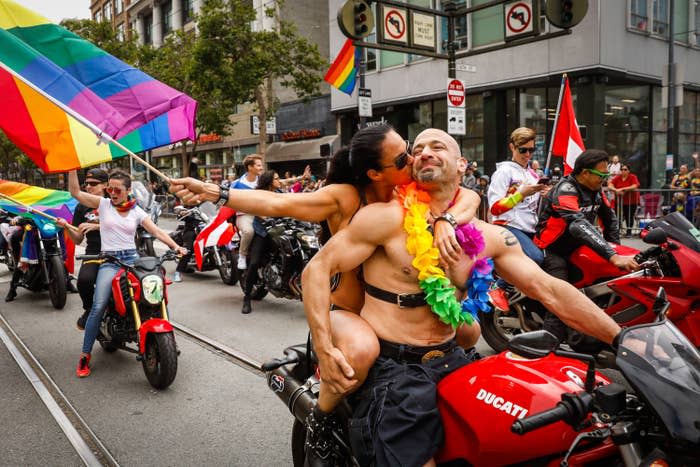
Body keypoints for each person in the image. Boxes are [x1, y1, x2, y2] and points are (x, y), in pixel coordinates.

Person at [301, 128, 624, 466]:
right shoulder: (385, 219)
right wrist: (324, 348)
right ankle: (320, 424)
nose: (425, 151)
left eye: (438, 146)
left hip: (453, 358)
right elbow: (316, 271)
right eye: (419, 148)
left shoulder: (488, 236)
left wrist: (620, 338)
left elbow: (551, 290)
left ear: (461, 164)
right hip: (396, 368)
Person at [168, 124, 483, 464]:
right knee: (362, 350)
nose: (414, 159)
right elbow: (277, 203)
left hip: (395, 318)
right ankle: (321, 416)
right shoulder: (347, 197)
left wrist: (448, 219)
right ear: (376, 172)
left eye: (408, 150)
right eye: (403, 157)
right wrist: (215, 192)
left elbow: (468, 195)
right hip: (349, 312)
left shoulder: (405, 190)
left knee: (469, 331)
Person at [67, 169, 186, 378]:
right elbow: (76, 192)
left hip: (133, 259)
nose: (113, 192)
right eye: (110, 188)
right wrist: (71, 168)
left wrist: (177, 247)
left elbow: (157, 232)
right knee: (98, 305)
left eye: (117, 189)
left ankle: (168, 341)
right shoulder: (103, 205)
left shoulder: (136, 211)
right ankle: (85, 355)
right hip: (110, 262)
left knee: (156, 294)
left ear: (128, 190)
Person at [534, 149, 639, 343]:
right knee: (561, 297)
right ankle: (549, 349)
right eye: (601, 175)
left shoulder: (596, 190)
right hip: (553, 249)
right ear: (585, 173)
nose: (605, 178)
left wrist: (615, 250)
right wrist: (612, 256)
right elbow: (578, 224)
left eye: (607, 174)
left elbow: (610, 220)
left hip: (578, 247)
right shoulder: (566, 189)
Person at [487, 127, 546, 309]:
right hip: (507, 226)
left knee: (550, 259)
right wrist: (520, 194)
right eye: (523, 150)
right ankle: (498, 287)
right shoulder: (504, 172)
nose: (528, 154)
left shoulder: (533, 174)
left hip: (529, 228)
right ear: (512, 147)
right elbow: (495, 208)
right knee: (536, 258)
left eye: (531, 150)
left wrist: (546, 193)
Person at [56, 168, 109, 329]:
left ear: (106, 185)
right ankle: (89, 310)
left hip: (118, 251)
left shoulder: (114, 200)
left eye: (93, 184)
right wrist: (67, 227)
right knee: (84, 281)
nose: (88, 187)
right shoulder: (81, 207)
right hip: (93, 252)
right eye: (86, 184)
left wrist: (97, 227)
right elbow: (78, 239)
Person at [241, 170, 283, 314]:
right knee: (254, 263)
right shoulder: (258, 193)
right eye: (277, 178)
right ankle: (246, 298)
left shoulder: (280, 192)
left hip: (278, 230)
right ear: (269, 181)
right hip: (263, 231)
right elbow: (254, 209)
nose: (279, 181)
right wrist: (266, 218)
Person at [230, 155, 264, 270]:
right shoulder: (236, 184)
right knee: (249, 232)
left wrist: (300, 178)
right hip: (244, 215)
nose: (261, 168)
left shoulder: (262, 181)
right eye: (258, 165)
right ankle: (242, 256)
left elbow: (279, 182)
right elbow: (225, 200)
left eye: (261, 165)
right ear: (250, 167)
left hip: (263, 214)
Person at [608, 164, 640, 237]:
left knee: (629, 216)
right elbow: (610, 185)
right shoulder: (617, 177)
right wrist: (616, 190)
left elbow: (635, 185)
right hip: (619, 201)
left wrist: (623, 189)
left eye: (625, 169)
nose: (623, 171)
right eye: (622, 169)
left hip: (631, 201)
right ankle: (618, 231)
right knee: (617, 216)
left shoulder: (632, 177)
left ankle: (629, 232)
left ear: (628, 171)